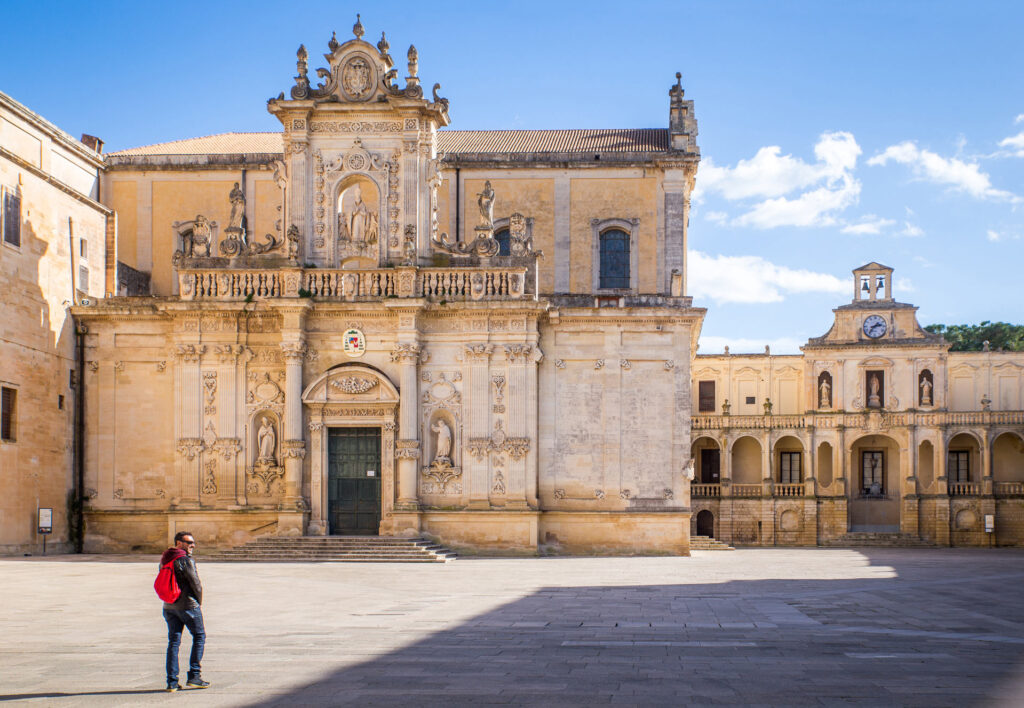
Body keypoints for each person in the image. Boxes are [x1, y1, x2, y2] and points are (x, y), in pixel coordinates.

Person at [160, 531, 209, 691]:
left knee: (173, 642)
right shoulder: (185, 560)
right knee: (199, 636)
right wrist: (198, 602)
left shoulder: (165, 559)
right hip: (187, 606)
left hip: (169, 606)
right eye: (189, 542)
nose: (192, 545)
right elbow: (196, 584)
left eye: (193, 542)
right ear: (179, 543)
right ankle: (195, 676)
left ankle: (172, 682)